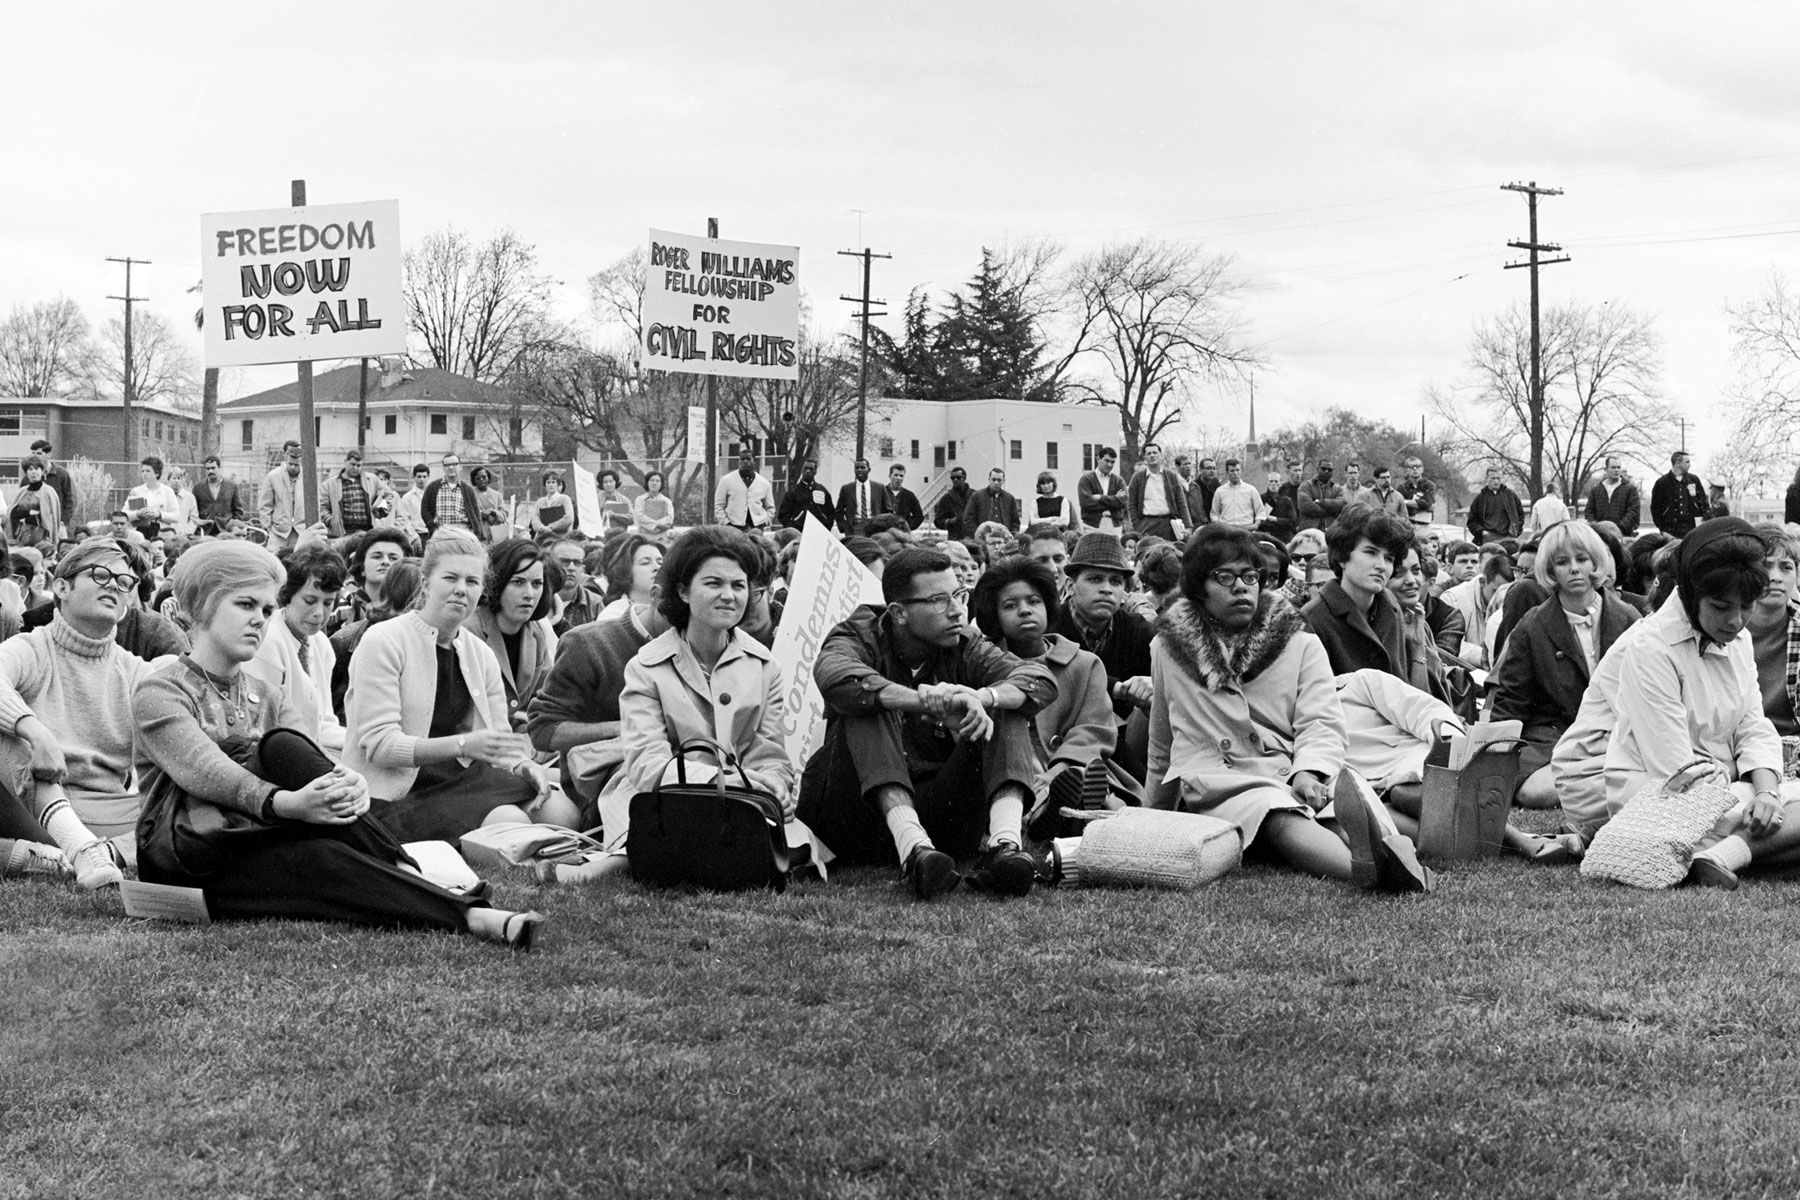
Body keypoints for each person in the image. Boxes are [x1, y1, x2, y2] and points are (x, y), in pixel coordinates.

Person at [133, 539, 544, 949]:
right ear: (204, 604)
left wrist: (344, 786)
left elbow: (307, 755)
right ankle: (415, 874)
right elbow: (207, 772)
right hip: (191, 847)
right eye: (245, 605)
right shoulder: (162, 689)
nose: (260, 620)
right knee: (280, 749)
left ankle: (473, 916)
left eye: (267, 609)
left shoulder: (267, 693)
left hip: (257, 838)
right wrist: (288, 804)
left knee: (326, 854)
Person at [1146, 526, 1431, 892]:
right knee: (1276, 814)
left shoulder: (1301, 643)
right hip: (1217, 779)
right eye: (1225, 577)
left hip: (1292, 766)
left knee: (1335, 813)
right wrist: (1150, 815)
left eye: (1250, 576)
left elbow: (1322, 720)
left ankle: (1402, 849)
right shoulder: (1166, 647)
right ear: (1198, 585)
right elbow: (1161, 741)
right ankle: (1375, 874)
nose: (1241, 587)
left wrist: (1309, 771)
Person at [1551, 518, 1800, 887]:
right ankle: (1735, 850)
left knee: (1780, 811)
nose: (1735, 621)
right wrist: (1760, 795)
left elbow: (1752, 726)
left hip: (1722, 789)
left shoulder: (1739, 639)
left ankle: (1718, 856)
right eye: (1720, 607)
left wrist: (1766, 793)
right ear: (1689, 594)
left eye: (1746, 607)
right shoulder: (1650, 646)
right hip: (1662, 799)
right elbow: (1675, 769)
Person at [797, 546, 1055, 898]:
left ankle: (1005, 846)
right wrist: (927, 700)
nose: (956, 610)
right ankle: (912, 849)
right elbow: (836, 677)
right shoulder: (857, 635)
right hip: (856, 818)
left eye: (959, 595)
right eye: (938, 600)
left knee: (1006, 704)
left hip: (940, 818)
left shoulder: (966, 643)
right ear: (899, 612)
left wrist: (982, 697)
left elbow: (1039, 679)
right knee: (866, 701)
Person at [562, 527, 796, 880]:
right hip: (658, 798)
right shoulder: (645, 666)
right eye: (713, 583)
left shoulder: (766, 666)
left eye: (739, 585)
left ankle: (630, 863)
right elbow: (646, 765)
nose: (729, 596)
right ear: (683, 591)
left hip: (745, 800)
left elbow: (768, 752)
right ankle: (627, 859)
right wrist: (730, 783)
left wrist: (776, 786)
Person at [344, 530, 569, 841]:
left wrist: (522, 766)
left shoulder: (480, 654)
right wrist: (464, 745)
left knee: (563, 812)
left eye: (472, 582)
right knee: (510, 820)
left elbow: (499, 741)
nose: (462, 590)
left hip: (463, 780)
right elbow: (380, 747)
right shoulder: (384, 641)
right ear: (426, 583)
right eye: (451, 578)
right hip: (398, 794)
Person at [0, 540, 156, 887]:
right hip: (28, 803)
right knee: (3, 730)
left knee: (188, 804)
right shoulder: (31, 648)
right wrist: (33, 730)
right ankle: (80, 850)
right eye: (101, 574)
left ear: (127, 606)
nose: (114, 585)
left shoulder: (137, 673)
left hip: (109, 810)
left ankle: (102, 854)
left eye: (124, 581)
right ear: (61, 587)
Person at [972, 557, 1136, 840]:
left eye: (1034, 602)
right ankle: (1057, 813)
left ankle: (1065, 806)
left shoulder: (1085, 663)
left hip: (1073, 766)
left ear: (1048, 605)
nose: (1025, 611)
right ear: (994, 615)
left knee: (1086, 782)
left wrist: (1054, 775)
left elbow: (1093, 731)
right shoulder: (982, 662)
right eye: (1010, 606)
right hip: (1010, 772)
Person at [1491, 520, 1640, 808]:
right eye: (1562, 562)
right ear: (1549, 570)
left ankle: (1602, 781)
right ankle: (1616, 782)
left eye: (1582, 559)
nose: (1574, 568)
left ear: (1596, 563)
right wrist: (1495, 754)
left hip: (1618, 731)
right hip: (1554, 735)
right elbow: (1512, 700)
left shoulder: (1629, 617)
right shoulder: (1532, 624)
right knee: (1532, 792)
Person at [252, 541, 347, 754]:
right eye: (310, 600)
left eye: (328, 603)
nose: (319, 613)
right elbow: (263, 728)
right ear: (288, 594)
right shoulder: (268, 642)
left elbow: (323, 722)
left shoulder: (321, 643)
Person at [1300, 505, 1414, 680]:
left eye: (1389, 558)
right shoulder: (1313, 618)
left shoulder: (1390, 606)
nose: (1381, 566)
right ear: (1342, 557)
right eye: (1370, 552)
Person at [468, 537, 561, 726]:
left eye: (537, 584)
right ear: (497, 582)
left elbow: (546, 697)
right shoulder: (469, 630)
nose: (529, 594)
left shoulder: (536, 633)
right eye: (518, 582)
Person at [1746, 524, 1800, 741]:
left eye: (1786, 567)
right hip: (1742, 745)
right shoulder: (1725, 629)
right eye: (1766, 566)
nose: (1775, 577)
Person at [321, 449, 392, 541]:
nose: (356, 468)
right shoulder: (330, 483)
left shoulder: (372, 480)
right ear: (345, 462)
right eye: (352, 464)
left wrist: (382, 508)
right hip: (343, 532)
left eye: (359, 465)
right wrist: (332, 521)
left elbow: (388, 493)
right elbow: (322, 506)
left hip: (367, 531)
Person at [1126, 444, 1187, 543]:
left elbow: (1181, 502)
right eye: (1148, 453)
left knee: (1168, 554)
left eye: (1155, 452)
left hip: (1168, 524)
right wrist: (1137, 525)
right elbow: (1131, 504)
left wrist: (1187, 526)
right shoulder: (1137, 478)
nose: (1152, 455)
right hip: (1146, 524)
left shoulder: (1171, 476)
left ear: (1160, 455)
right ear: (1145, 457)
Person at [257, 441, 312, 549]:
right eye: (290, 464)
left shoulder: (309, 477)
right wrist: (268, 527)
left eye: (296, 465)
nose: (292, 467)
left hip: (301, 531)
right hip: (279, 533)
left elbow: (315, 504)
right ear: (286, 460)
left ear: (301, 463)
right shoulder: (273, 476)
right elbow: (264, 505)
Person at [599, 535, 662, 621]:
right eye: (645, 563)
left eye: (660, 563)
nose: (657, 567)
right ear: (626, 571)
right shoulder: (613, 617)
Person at [419, 453, 481, 538]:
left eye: (454, 464)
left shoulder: (468, 490)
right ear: (443, 468)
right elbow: (424, 510)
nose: (451, 467)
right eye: (447, 465)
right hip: (440, 533)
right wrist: (433, 528)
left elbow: (476, 514)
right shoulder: (433, 487)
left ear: (460, 467)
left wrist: (478, 535)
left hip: (463, 533)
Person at [1650, 449, 1708, 538]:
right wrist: (1662, 527)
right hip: (1670, 530)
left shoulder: (1694, 480)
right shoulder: (1662, 483)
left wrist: (1705, 519)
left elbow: (1703, 501)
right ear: (1677, 463)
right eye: (1687, 462)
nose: (1690, 464)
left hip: (1692, 529)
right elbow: (1655, 508)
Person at [714, 451, 775, 532]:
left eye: (748, 459)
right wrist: (726, 523)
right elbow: (718, 506)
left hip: (757, 527)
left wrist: (765, 521)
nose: (745, 462)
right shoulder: (726, 480)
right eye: (742, 459)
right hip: (733, 527)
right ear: (738, 461)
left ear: (754, 461)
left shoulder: (764, 483)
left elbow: (770, 508)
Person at [9, 455, 61, 549]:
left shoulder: (48, 492)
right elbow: (12, 514)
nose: (34, 472)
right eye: (30, 469)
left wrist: (53, 541)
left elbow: (54, 518)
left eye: (37, 469)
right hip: (23, 536)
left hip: (43, 538)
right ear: (26, 472)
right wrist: (27, 512)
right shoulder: (21, 492)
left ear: (42, 471)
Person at [1466, 467, 1524, 546]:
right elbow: (1472, 521)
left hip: (1508, 538)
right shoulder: (1480, 499)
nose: (1496, 481)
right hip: (1488, 539)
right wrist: (1482, 532)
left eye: (1498, 478)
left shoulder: (1510, 496)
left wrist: (1514, 531)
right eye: (1493, 478)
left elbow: (1520, 516)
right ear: (1486, 479)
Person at [127, 455, 180, 540]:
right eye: (143, 471)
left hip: (161, 531)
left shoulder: (167, 491)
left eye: (148, 471)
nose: (144, 474)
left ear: (157, 473)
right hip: (140, 530)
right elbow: (125, 514)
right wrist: (138, 513)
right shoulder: (136, 491)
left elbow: (176, 516)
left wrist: (159, 514)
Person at [1585, 456, 1640, 536]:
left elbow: (1633, 512)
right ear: (1606, 469)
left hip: (1624, 535)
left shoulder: (1630, 489)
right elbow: (1589, 511)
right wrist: (1597, 528)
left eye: (1619, 467)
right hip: (1600, 537)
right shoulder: (1596, 490)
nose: (1616, 470)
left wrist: (1618, 529)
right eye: (1613, 467)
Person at [29, 439, 73, 537]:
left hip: (57, 525)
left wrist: (63, 522)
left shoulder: (61, 474)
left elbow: (69, 499)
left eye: (39, 453)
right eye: (33, 453)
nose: (35, 457)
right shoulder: (29, 476)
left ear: (48, 454)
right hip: (34, 525)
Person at [1078, 447, 1127, 533]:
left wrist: (1100, 498)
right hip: (1092, 525)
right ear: (1098, 459)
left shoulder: (1118, 480)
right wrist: (1114, 498)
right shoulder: (1086, 479)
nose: (1109, 465)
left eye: (1112, 462)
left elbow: (1122, 502)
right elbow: (1086, 503)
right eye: (1106, 461)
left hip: (1114, 525)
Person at [192, 455, 245, 534]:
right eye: (208, 469)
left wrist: (233, 526)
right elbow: (193, 510)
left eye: (213, 468)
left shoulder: (231, 485)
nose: (210, 471)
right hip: (205, 531)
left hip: (225, 530)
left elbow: (238, 510)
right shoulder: (198, 487)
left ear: (219, 468)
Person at [962, 467, 1022, 537]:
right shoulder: (977, 496)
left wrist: (1010, 535)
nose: (996, 483)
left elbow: (1015, 522)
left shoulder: (1009, 498)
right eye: (993, 480)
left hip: (1004, 539)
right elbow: (968, 519)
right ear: (989, 480)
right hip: (983, 539)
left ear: (1003, 481)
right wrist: (977, 535)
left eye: (999, 480)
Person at [777, 458, 835, 531]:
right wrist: (792, 528)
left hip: (819, 532)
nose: (808, 471)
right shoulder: (792, 492)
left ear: (815, 472)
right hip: (799, 532)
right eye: (806, 468)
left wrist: (826, 526)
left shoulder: (822, 491)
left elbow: (831, 512)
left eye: (811, 469)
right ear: (802, 470)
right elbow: (782, 515)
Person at [1209, 458, 1266, 530]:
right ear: (1227, 473)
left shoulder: (1251, 490)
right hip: (1227, 530)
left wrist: (1256, 525)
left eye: (1237, 470)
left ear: (1241, 471)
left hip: (1247, 529)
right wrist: (1219, 527)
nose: (1235, 473)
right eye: (1232, 471)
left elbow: (1260, 511)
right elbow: (1214, 513)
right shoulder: (1220, 491)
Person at [1295, 460, 1346, 532]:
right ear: (1317, 469)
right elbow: (1305, 506)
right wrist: (1331, 511)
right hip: (1309, 531)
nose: (1326, 471)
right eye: (1323, 469)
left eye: (1330, 470)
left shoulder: (1337, 489)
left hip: (1331, 532)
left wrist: (1321, 502)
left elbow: (1342, 505)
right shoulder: (1306, 486)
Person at [835, 458, 880, 536]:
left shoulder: (879, 488)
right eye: (857, 468)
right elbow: (839, 511)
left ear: (869, 470)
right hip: (855, 527)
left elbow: (887, 510)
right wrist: (844, 527)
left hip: (874, 527)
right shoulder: (846, 489)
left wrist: (883, 527)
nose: (859, 470)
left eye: (862, 467)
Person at [392, 462, 433, 544]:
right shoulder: (407, 498)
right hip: (417, 536)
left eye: (424, 477)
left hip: (433, 534)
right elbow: (404, 520)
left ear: (428, 477)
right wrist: (413, 537)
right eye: (419, 477)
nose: (422, 479)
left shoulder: (433, 495)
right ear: (414, 477)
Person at [530, 471, 575, 539]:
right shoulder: (540, 502)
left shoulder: (565, 499)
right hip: (543, 537)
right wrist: (542, 528)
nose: (551, 485)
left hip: (561, 538)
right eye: (548, 482)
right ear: (545, 485)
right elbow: (535, 519)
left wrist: (550, 527)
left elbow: (568, 518)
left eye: (553, 482)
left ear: (558, 484)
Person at [471, 466, 510, 543]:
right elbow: (468, 512)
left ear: (488, 478)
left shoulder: (497, 495)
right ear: (474, 481)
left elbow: (504, 514)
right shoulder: (470, 495)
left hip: (496, 533)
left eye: (484, 477)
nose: (481, 480)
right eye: (478, 478)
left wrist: (494, 514)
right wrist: (481, 514)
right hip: (478, 533)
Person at [933, 467, 973, 541]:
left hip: (972, 538)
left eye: (958, 477)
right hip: (955, 539)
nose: (955, 480)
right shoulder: (946, 498)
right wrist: (952, 521)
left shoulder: (974, 496)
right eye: (953, 478)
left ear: (964, 478)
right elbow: (937, 521)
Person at [1398, 455, 1436, 529]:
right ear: (1406, 470)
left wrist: (1405, 501)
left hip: (1424, 526)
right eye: (1411, 467)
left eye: (1418, 466)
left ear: (1422, 469)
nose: (1415, 469)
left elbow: (1426, 504)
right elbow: (1401, 508)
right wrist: (1420, 506)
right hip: (1407, 526)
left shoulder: (1429, 485)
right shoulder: (1402, 487)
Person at [1259, 471, 1297, 541]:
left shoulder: (1287, 500)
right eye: (1271, 481)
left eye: (1276, 481)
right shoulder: (1261, 499)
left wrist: (1274, 519)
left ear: (1280, 483)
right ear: (1267, 483)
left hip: (1284, 537)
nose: (1273, 484)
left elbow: (1293, 522)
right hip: (1266, 536)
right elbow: (1259, 521)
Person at [595, 470, 633, 538]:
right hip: (600, 535)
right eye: (605, 482)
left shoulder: (624, 500)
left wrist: (614, 515)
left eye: (611, 481)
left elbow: (631, 519)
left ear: (615, 482)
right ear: (601, 484)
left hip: (620, 535)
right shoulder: (596, 498)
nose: (608, 484)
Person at [165, 466, 201, 538]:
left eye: (179, 478)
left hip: (183, 535)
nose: (176, 481)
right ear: (168, 480)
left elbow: (194, 518)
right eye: (174, 478)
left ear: (182, 480)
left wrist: (187, 531)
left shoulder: (189, 497)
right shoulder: (165, 496)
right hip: (167, 534)